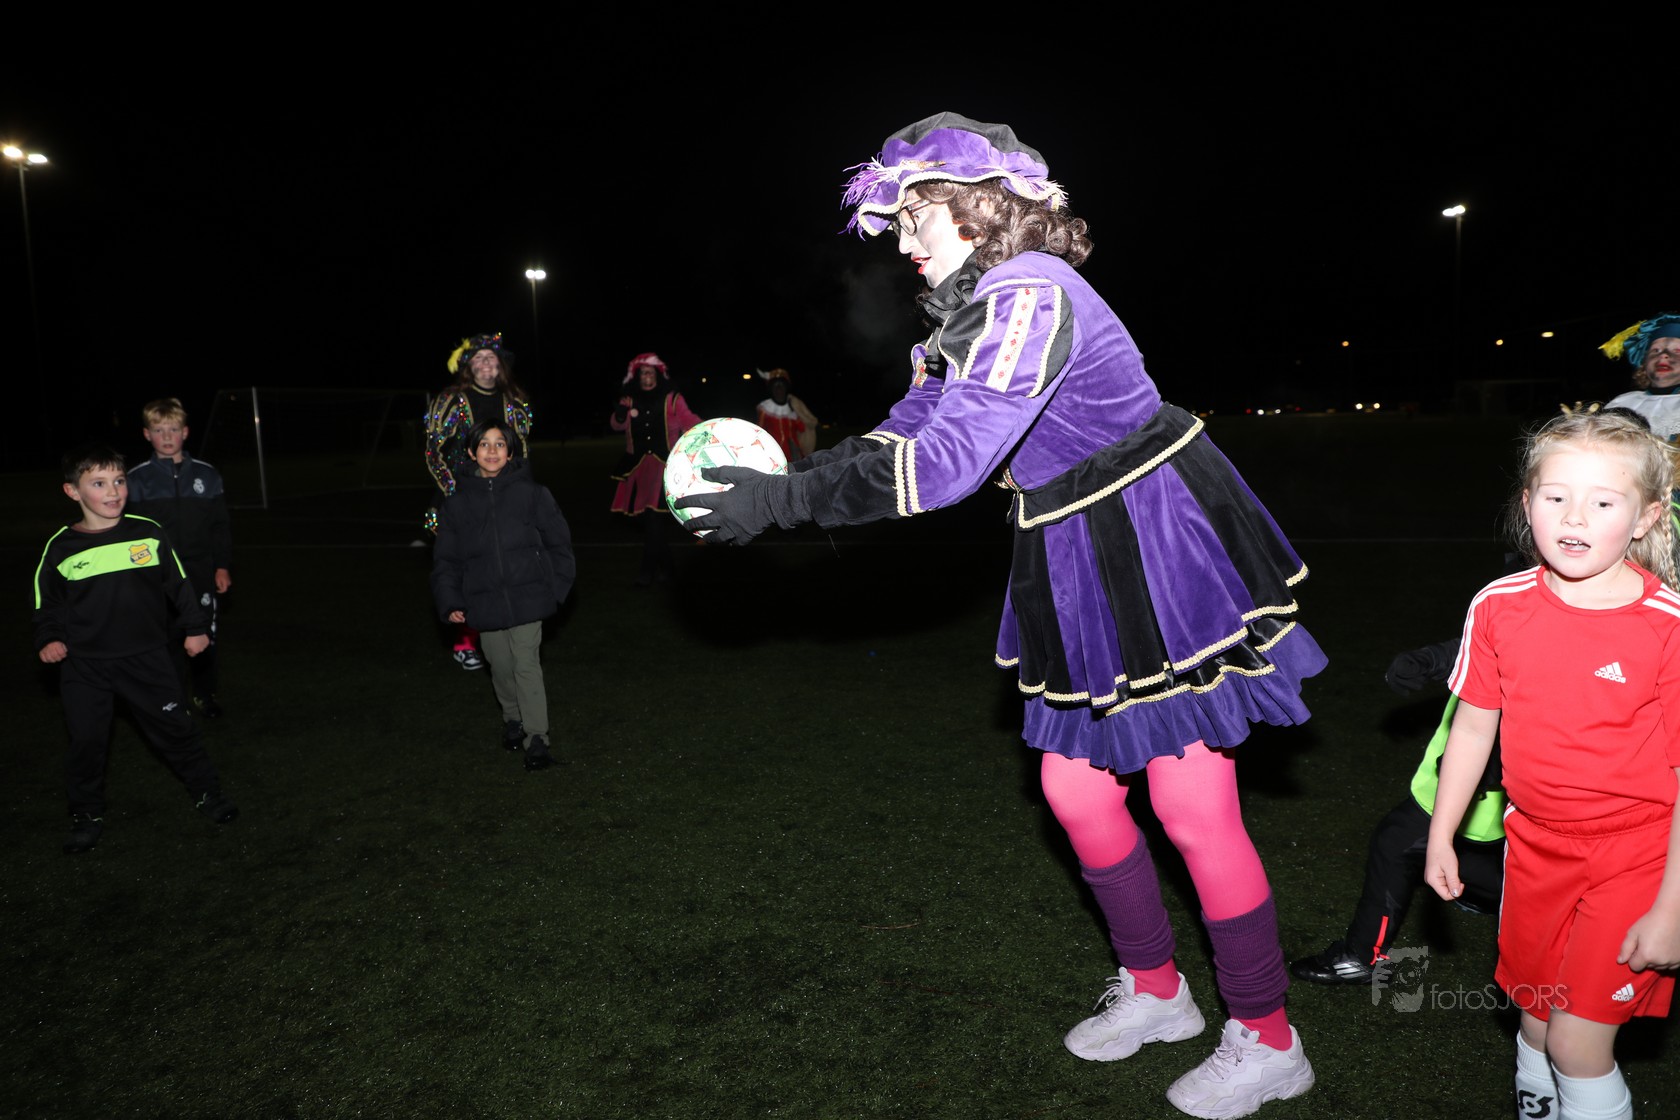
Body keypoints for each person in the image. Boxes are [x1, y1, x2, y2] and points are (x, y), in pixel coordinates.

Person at [677, 113, 1325, 1118]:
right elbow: (907, 431)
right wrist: (787, 483)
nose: (900, 238)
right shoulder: (965, 312)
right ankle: (1158, 991)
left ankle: (1269, 1036)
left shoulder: (1030, 292)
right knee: (1076, 793)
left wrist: (784, 504)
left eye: (913, 214)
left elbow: (945, 468)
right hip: (1070, 545)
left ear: (976, 206)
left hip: (1152, 538)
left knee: (1193, 808)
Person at [1425, 407, 1680, 1120]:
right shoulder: (1498, 606)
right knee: (1536, 1018)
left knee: (1575, 1042)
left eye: (1603, 502)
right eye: (1556, 495)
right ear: (1526, 502)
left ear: (1646, 516)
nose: (1574, 516)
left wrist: (1672, 907)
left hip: (1638, 856)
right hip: (1534, 846)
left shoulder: (1667, 627)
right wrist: (1442, 833)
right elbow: (1474, 726)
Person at [33, 443, 239, 854]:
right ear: (72, 491)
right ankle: (86, 813)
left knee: (176, 730)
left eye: (119, 481)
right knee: (87, 742)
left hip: (147, 659)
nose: (113, 491)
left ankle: (207, 792)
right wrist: (49, 639)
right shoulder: (61, 547)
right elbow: (47, 603)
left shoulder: (147, 532)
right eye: (99, 483)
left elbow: (179, 585)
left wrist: (195, 628)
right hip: (85, 665)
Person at [1289, 639, 1506, 985]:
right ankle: (1486, 894)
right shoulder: (1521, 607)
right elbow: (1486, 643)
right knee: (1482, 858)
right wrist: (1429, 660)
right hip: (1473, 779)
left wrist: (1490, 764)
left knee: (1399, 842)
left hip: (1500, 788)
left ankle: (1362, 958)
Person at [431, 421, 576, 771]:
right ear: (471, 452)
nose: (492, 450)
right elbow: (446, 560)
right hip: (484, 600)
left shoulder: (533, 494)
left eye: (500, 444)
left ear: (511, 452)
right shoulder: (456, 505)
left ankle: (537, 739)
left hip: (529, 596)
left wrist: (555, 590)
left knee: (526, 663)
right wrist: (451, 600)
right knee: (500, 664)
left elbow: (560, 544)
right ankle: (513, 718)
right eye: (484, 444)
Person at [424, 332, 535, 669]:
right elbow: (433, 452)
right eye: (478, 358)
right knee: (466, 573)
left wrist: (521, 491)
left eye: (491, 358)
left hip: (503, 498)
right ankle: (465, 643)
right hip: (460, 498)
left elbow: (521, 451)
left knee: (501, 571)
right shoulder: (451, 400)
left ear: (501, 365)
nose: (486, 363)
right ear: (467, 367)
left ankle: (501, 637)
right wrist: (455, 494)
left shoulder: (514, 400)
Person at [125, 397, 234, 718]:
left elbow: (220, 527)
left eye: (173, 429)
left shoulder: (207, 475)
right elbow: (129, 533)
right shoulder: (136, 480)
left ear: (185, 432)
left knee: (203, 634)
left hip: (200, 571)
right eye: (159, 430)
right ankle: (175, 701)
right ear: (147, 434)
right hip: (158, 576)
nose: (167, 436)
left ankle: (204, 694)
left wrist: (222, 566)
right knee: (166, 638)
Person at [610, 352, 701, 586]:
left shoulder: (672, 399)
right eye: (643, 373)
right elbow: (617, 425)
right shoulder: (629, 399)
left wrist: (708, 430)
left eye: (650, 372)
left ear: (658, 375)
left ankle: (646, 573)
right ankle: (668, 570)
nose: (646, 376)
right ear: (637, 377)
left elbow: (689, 421)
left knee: (653, 518)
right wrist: (619, 415)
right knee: (649, 521)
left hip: (664, 468)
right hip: (638, 468)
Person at [1602, 312, 1680, 440]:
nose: (1663, 355)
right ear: (1644, 362)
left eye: (1677, 351)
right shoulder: (1621, 403)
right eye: (1656, 350)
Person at [754, 368, 819, 462]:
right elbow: (759, 431)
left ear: (786, 388)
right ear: (771, 389)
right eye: (775, 386)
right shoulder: (765, 409)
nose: (778, 389)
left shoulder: (793, 407)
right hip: (773, 453)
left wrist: (794, 413)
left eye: (781, 386)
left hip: (793, 453)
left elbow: (802, 428)